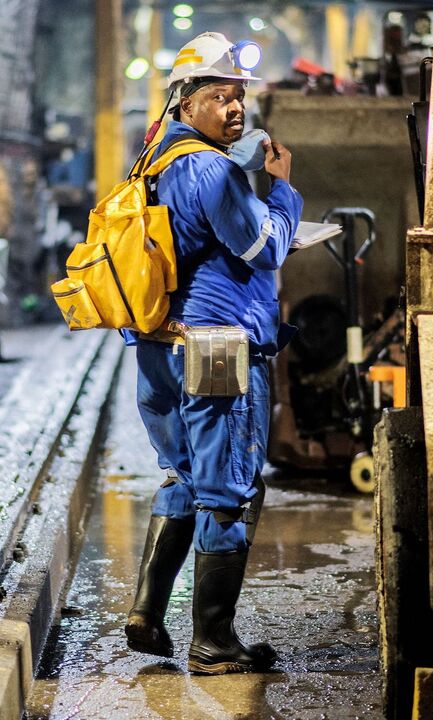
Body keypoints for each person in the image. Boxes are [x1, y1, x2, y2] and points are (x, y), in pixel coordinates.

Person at [123, 32, 302, 676]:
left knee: (184, 477)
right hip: (217, 347)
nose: (235, 109)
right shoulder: (211, 168)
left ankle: (146, 613)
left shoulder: (153, 160)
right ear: (185, 102)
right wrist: (279, 191)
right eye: (219, 97)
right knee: (226, 490)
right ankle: (214, 642)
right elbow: (264, 248)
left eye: (238, 97)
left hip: (159, 344)